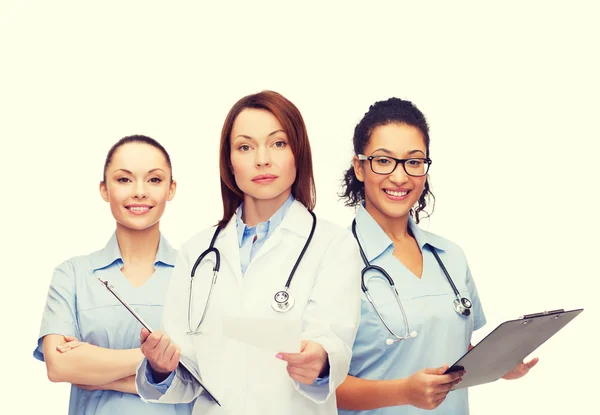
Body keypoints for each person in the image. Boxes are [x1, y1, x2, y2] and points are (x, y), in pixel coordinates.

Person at [135, 90, 362, 415]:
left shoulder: (333, 245)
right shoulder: (197, 252)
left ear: (298, 152)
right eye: (245, 146)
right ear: (229, 162)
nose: (262, 159)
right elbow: (188, 376)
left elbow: (333, 343)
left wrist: (320, 361)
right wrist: (160, 367)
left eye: (278, 143)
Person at [336, 98, 538, 414]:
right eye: (384, 161)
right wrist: (403, 392)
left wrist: (500, 364)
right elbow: (319, 385)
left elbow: (451, 348)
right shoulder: (332, 259)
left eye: (414, 162)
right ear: (359, 167)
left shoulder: (451, 257)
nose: (400, 177)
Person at [33, 135, 192, 415]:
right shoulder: (72, 274)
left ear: (171, 189)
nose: (140, 192)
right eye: (124, 180)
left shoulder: (196, 275)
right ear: (104, 190)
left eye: (154, 180)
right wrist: (154, 359)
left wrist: (95, 370)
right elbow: (58, 366)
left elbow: (204, 372)